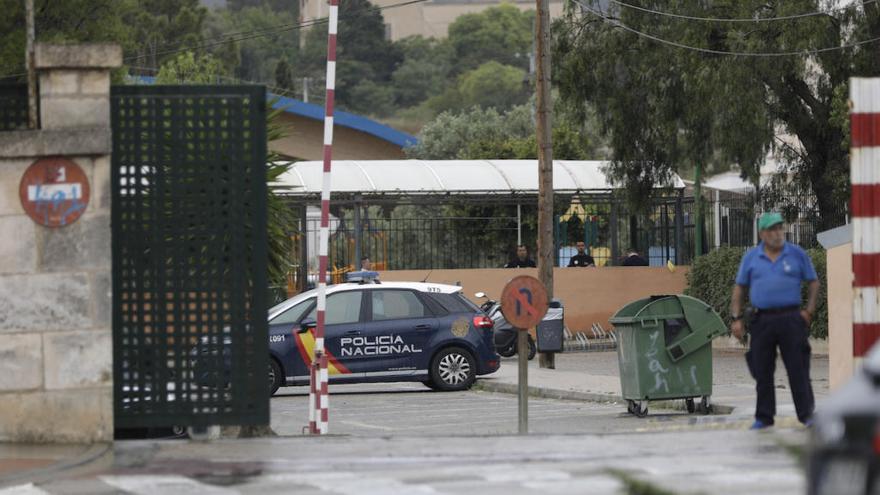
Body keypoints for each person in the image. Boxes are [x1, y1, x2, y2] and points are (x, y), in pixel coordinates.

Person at [730, 212, 819, 430]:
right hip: (763, 320)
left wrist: (809, 311)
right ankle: (764, 417)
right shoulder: (751, 258)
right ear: (762, 234)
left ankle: (807, 415)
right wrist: (736, 318)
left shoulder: (796, 254)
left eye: (780, 228)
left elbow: (814, 282)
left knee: (798, 369)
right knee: (762, 370)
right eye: (772, 229)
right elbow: (740, 288)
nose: (777, 233)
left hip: (791, 319)